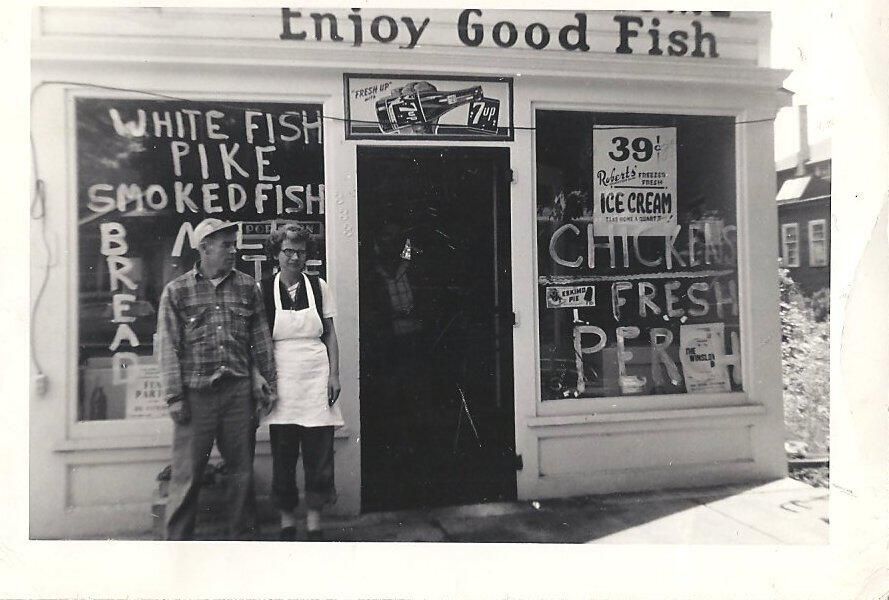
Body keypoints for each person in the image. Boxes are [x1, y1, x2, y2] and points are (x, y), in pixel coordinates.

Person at [157, 218, 276, 540]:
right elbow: (168, 346)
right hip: (196, 399)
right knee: (187, 477)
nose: (233, 250)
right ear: (204, 247)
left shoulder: (248, 287)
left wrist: (268, 383)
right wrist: (174, 396)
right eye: (226, 244)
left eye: (234, 244)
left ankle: (244, 546)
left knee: (241, 475)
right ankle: (177, 550)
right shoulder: (177, 291)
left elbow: (260, 339)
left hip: (238, 394)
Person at [260, 223, 343, 541]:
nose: (294, 258)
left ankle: (313, 520)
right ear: (276, 254)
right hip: (282, 378)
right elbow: (260, 339)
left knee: (319, 451)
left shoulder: (319, 287)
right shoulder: (264, 289)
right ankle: (286, 520)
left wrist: (335, 374)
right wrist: (265, 379)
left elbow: (331, 333)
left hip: (316, 376)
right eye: (288, 251)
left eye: (300, 252)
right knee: (283, 450)